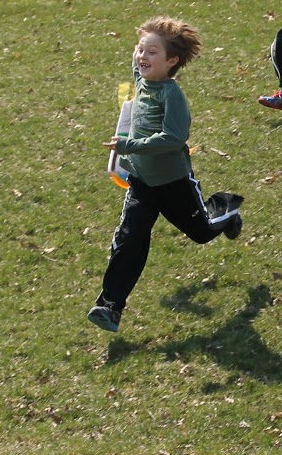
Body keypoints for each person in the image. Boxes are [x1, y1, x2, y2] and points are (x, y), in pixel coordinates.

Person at [89, 17, 243, 332]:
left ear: (171, 61)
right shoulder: (142, 79)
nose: (142, 56)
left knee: (202, 233)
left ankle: (226, 210)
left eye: (152, 52)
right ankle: (109, 307)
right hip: (141, 184)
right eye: (140, 49)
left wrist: (130, 145)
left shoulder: (171, 96)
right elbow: (138, 62)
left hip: (174, 184)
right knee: (129, 241)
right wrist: (144, 46)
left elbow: (173, 138)